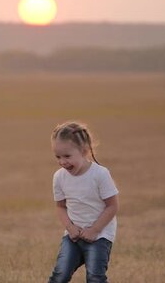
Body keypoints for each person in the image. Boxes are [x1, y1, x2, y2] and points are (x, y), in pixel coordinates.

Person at [48, 121, 119, 283]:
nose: (62, 162)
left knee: (95, 277)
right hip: (73, 236)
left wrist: (94, 230)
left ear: (84, 150)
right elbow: (60, 207)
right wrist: (70, 228)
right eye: (57, 157)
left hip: (100, 236)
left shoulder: (100, 174)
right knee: (60, 275)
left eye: (67, 156)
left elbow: (112, 206)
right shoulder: (59, 177)